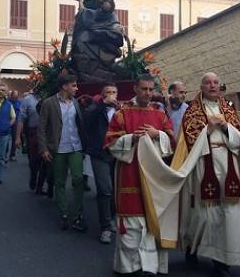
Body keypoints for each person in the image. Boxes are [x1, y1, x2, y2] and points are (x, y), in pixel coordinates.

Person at [175, 72, 240, 277]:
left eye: (215, 83)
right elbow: (189, 141)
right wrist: (208, 130)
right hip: (204, 164)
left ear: (219, 86)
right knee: (203, 214)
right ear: (201, 87)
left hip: (229, 165)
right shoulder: (192, 111)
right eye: (208, 83)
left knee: (229, 212)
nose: (212, 86)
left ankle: (222, 260)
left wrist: (227, 128)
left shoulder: (228, 109)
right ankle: (191, 249)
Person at [104, 74, 176, 275]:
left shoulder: (160, 114)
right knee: (132, 222)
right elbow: (110, 142)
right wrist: (130, 139)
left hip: (154, 175)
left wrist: (157, 134)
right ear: (135, 88)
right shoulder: (122, 112)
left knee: (153, 219)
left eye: (151, 89)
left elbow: (172, 141)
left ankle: (154, 266)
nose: (148, 93)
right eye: (144, 89)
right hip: (130, 171)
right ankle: (129, 266)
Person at [38, 74, 88, 232]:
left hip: (76, 147)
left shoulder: (77, 103)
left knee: (79, 179)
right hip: (57, 149)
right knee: (59, 182)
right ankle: (64, 214)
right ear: (64, 86)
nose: (77, 88)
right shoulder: (49, 103)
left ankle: (78, 214)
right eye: (73, 86)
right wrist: (44, 148)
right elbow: (41, 128)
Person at [84, 84, 120, 244]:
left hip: (118, 154)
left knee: (116, 190)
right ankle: (105, 227)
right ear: (102, 95)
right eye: (108, 93)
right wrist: (103, 104)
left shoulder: (121, 110)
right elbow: (88, 120)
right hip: (100, 153)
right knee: (105, 189)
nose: (111, 95)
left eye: (114, 92)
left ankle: (110, 218)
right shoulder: (95, 107)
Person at [15, 91, 52, 195]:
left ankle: (41, 186)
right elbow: (21, 119)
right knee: (34, 160)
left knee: (47, 161)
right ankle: (33, 176)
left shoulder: (50, 97)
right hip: (33, 133)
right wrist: (18, 137)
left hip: (49, 133)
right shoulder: (27, 100)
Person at [6, 90, 21, 162]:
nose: (15, 97)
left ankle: (12, 155)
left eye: (16, 96)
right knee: (6, 139)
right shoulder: (7, 102)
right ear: (11, 96)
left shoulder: (19, 102)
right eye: (14, 96)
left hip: (16, 123)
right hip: (8, 122)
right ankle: (5, 154)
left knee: (14, 139)